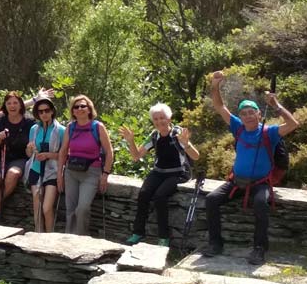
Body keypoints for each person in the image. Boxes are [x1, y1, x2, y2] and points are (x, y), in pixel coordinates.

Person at [205, 71, 299, 265]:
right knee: (212, 199)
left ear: (258, 114)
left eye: (251, 112)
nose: (248, 116)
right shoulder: (237, 127)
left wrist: (277, 106)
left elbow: (293, 123)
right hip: (236, 181)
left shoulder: (269, 132)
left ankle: (259, 249)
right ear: (240, 116)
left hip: (259, 184)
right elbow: (219, 106)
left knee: (260, 204)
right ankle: (215, 243)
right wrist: (215, 85)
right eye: (244, 113)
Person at [120, 103, 200, 246]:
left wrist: (186, 144)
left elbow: (196, 156)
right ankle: (137, 233)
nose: (159, 121)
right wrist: (131, 141)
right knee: (143, 194)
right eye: (156, 119)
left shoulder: (177, 134)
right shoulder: (154, 135)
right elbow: (136, 156)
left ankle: (164, 237)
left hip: (178, 173)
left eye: (162, 118)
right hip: (159, 172)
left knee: (160, 196)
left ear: (169, 119)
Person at [56, 95, 114, 236]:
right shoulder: (71, 127)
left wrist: (105, 174)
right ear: (73, 111)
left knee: (82, 208)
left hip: (92, 173)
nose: (80, 109)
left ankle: (81, 239)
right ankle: (69, 238)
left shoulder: (97, 127)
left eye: (83, 106)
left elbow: (109, 152)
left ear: (89, 109)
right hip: (71, 172)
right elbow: (63, 151)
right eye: (76, 107)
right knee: (70, 209)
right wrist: (59, 174)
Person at [0, 92, 35, 223]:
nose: (12, 106)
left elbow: (32, 146)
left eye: (15, 103)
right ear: (5, 105)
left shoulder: (29, 122)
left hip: (19, 158)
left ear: (21, 105)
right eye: (9, 103)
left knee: (13, 174)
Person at [26, 97, 65, 232]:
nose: (44, 114)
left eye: (47, 110)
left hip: (53, 172)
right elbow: (28, 153)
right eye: (40, 111)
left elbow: (65, 155)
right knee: (37, 208)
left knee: (47, 208)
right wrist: (30, 149)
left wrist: (49, 155)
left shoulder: (61, 130)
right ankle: (38, 235)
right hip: (36, 169)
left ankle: (49, 238)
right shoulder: (34, 129)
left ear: (52, 111)